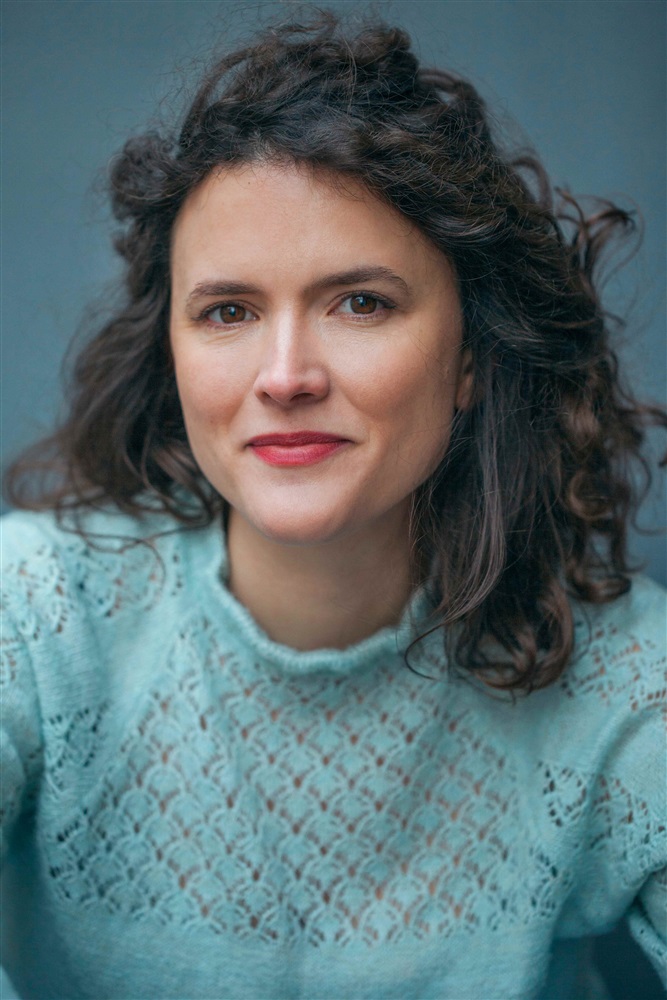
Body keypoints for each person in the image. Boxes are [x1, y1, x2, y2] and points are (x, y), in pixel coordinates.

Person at [1, 11, 665, 1000]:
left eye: (361, 302)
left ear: (471, 360)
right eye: (228, 310)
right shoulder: (33, 612)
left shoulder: (627, 681)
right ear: (172, 352)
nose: (286, 376)